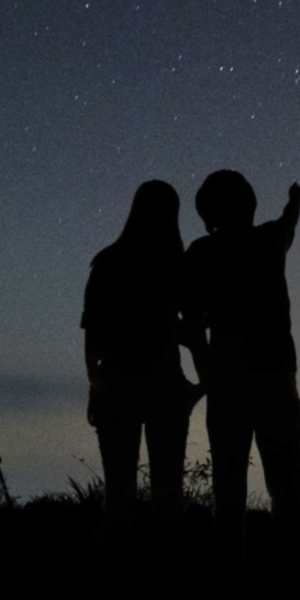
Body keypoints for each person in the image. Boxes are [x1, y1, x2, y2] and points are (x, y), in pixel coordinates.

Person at [186, 169, 300, 533]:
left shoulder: (202, 252)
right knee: (285, 483)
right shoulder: (269, 239)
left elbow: (192, 320)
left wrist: (205, 373)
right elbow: (288, 223)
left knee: (228, 480)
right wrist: (294, 201)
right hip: (275, 374)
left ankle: (227, 566)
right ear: (248, 204)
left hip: (227, 379)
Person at [82, 180, 205, 525]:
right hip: (165, 386)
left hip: (118, 383)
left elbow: (93, 334)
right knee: (168, 492)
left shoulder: (108, 262)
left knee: (119, 493)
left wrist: (96, 384)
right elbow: (193, 330)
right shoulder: (177, 266)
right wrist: (200, 385)